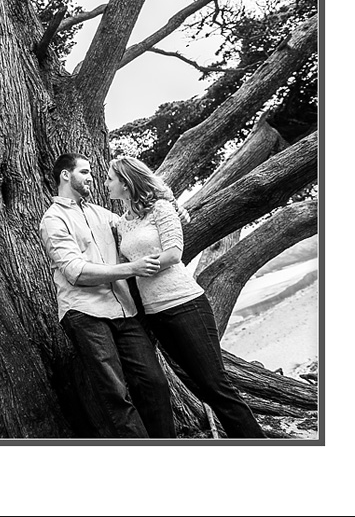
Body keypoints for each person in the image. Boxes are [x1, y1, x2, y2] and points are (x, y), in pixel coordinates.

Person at [106, 155, 266, 438]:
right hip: (155, 314)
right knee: (201, 384)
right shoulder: (121, 224)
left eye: (110, 178)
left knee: (215, 385)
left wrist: (140, 267)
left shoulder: (161, 209)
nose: (106, 183)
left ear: (126, 182)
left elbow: (173, 253)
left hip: (185, 305)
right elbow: (124, 262)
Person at [39, 153, 175, 438]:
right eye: (85, 172)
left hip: (125, 310)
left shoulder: (102, 214)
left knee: (154, 383)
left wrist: (170, 208)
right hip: (85, 314)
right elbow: (76, 272)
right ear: (66, 175)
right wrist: (131, 268)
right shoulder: (53, 220)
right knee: (115, 394)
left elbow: (139, 223)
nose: (91, 178)